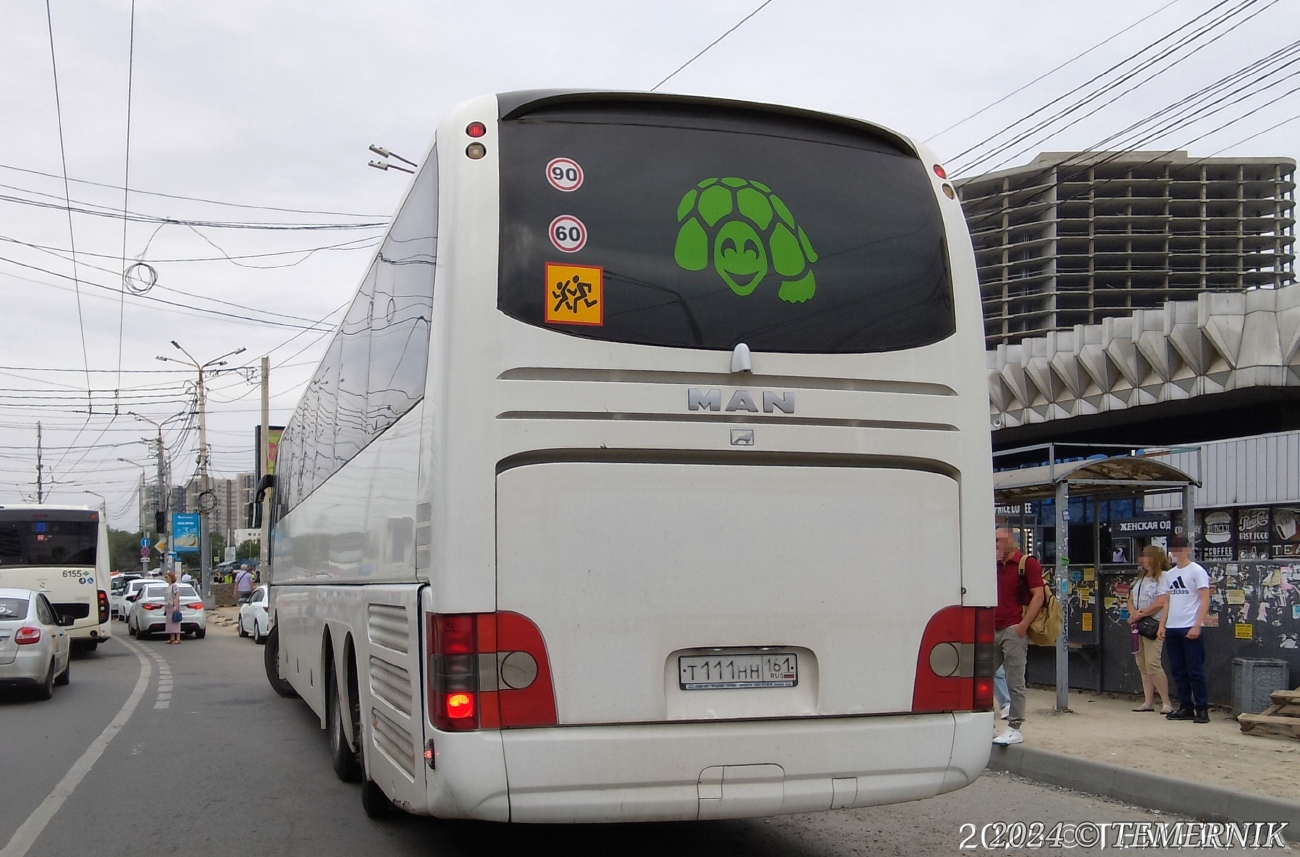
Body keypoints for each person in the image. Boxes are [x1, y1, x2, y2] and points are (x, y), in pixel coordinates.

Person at [992, 528, 1043, 746]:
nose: (995, 545)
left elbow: (1038, 594)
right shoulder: (991, 565)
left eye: (999, 541)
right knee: (981, 676)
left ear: (1011, 542)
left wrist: (1023, 626)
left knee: (1015, 680)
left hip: (1013, 628)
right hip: (992, 627)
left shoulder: (1026, 563)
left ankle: (1015, 726)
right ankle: (987, 724)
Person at [1154, 535, 1211, 723]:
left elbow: (1204, 598)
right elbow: (1168, 601)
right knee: (1178, 670)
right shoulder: (1170, 574)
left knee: (1195, 670)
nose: (1176, 552)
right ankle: (1185, 705)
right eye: (1174, 549)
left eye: (1179, 548)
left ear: (1187, 550)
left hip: (1189, 625)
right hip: (1173, 626)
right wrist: (1162, 625)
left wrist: (1197, 624)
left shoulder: (1196, 571)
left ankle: (1202, 708)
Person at [1127, 545, 1172, 714]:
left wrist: (1142, 614)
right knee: (1142, 663)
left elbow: (1162, 601)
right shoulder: (1140, 579)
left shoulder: (1163, 577)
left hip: (1153, 623)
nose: (1142, 559)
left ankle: (1166, 702)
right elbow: (1130, 599)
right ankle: (1148, 700)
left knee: (1153, 662)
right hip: (1138, 624)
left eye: (1145, 556)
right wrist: (1133, 613)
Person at [164, 571, 183, 645]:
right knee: (170, 622)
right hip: (169, 606)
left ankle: (177, 638)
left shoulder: (174, 586)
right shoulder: (169, 587)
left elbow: (177, 595)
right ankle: (172, 638)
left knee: (175, 621)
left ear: (171, 578)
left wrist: (175, 605)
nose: (166, 579)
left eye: (167, 577)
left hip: (174, 605)